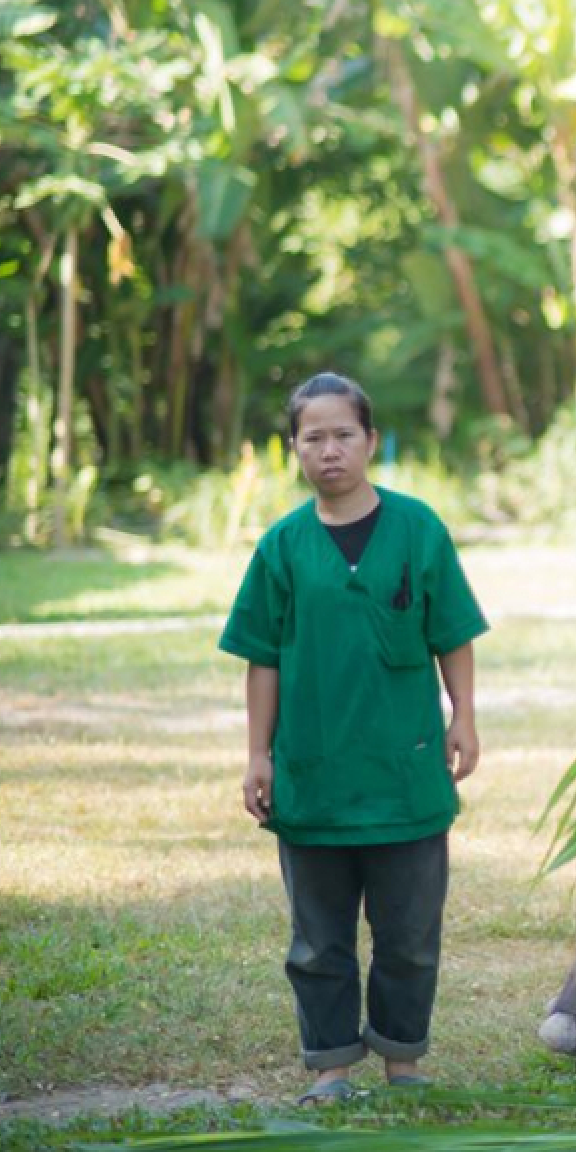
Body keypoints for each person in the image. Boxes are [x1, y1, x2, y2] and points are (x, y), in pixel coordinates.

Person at [220, 372, 488, 1105]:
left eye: (344, 435)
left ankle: (403, 1061)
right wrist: (258, 754)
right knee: (318, 941)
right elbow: (263, 659)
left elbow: (452, 632)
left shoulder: (418, 529)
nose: (330, 450)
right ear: (294, 449)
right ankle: (331, 1068)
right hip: (314, 777)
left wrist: (463, 714)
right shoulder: (282, 547)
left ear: (370, 440)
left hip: (406, 777)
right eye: (314, 438)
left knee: (409, 937)